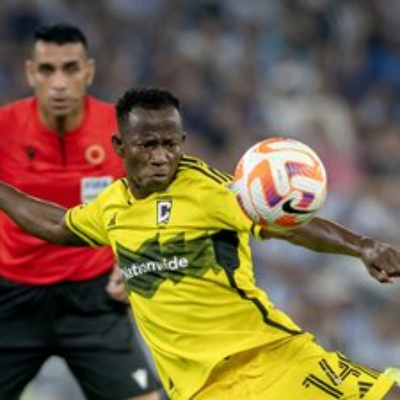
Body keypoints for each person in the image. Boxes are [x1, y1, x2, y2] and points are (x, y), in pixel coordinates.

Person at [0, 87, 400, 400]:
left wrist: (361, 246)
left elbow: (284, 224)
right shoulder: (111, 207)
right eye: (147, 144)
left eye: (170, 144)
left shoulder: (207, 190)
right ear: (120, 146)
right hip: (200, 392)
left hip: (268, 360)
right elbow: (57, 225)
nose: (161, 157)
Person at [0, 24, 162, 400]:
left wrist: (137, 257)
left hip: (93, 299)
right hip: (12, 297)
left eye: (70, 68)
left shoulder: (122, 130)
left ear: (88, 71)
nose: (59, 83)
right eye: (47, 70)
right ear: (30, 73)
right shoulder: (4, 128)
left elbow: (155, 203)